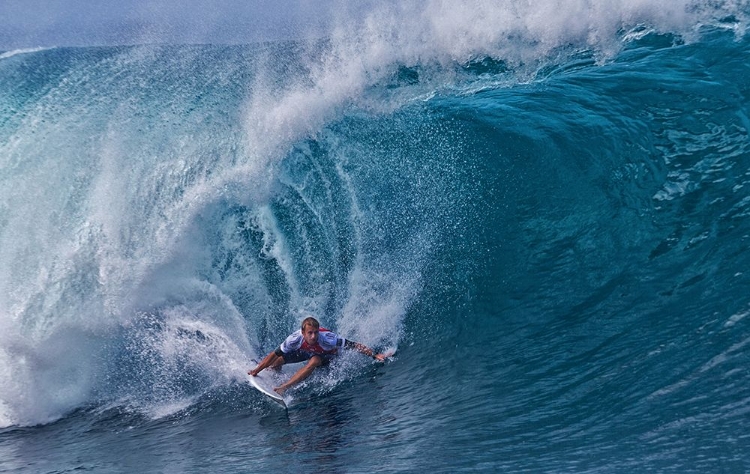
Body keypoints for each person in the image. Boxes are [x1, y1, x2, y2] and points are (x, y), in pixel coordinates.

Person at [249, 316, 388, 395]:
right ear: (303, 333)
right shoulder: (294, 339)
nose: (314, 336)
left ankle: (284, 387)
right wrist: (257, 370)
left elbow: (353, 345)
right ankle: (272, 373)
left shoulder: (328, 338)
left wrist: (375, 355)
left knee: (315, 360)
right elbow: (274, 353)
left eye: (316, 332)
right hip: (307, 352)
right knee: (277, 361)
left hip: (327, 357)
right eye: (310, 333)